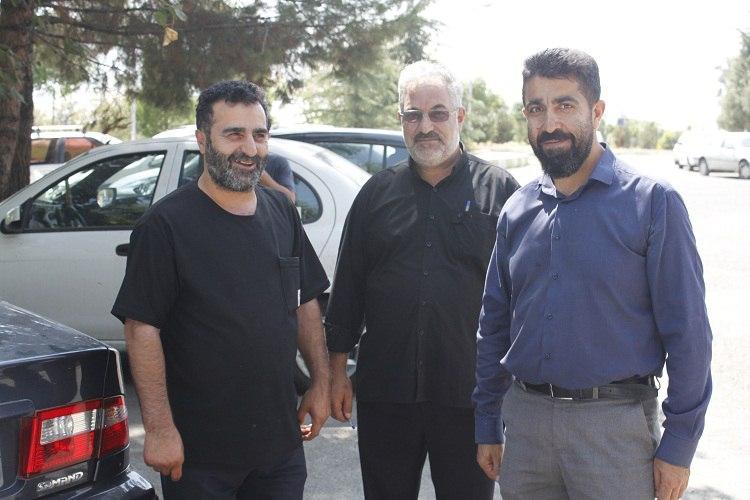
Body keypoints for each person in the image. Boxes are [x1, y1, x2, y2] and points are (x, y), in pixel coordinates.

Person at [473, 48, 712, 500]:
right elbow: (494, 324)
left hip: (614, 434)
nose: (550, 123)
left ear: (597, 111)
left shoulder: (652, 203)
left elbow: (689, 334)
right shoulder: (517, 210)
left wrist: (679, 445)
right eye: (536, 108)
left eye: (565, 105)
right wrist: (487, 420)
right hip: (525, 431)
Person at [112, 80, 330, 499]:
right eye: (234, 134)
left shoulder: (282, 212)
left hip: (280, 447)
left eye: (259, 135)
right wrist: (159, 430)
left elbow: (305, 301)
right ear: (202, 140)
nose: (250, 148)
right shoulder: (164, 226)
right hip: (200, 455)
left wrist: (320, 381)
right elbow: (142, 329)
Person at [325, 60, 520, 499]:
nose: (425, 126)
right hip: (386, 393)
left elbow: (521, 299)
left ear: (460, 116)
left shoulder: (500, 192)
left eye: (438, 113)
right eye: (413, 115)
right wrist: (336, 374)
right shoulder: (375, 195)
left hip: (471, 397)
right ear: (401, 120)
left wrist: (511, 391)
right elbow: (348, 292)